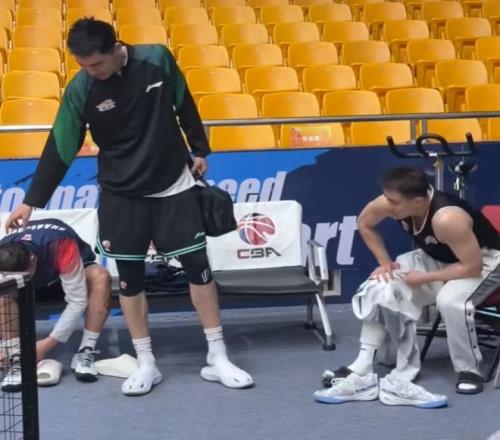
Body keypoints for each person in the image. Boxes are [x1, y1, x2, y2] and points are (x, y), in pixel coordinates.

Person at [5, 18, 253, 396]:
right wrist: (31, 200)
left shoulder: (157, 59)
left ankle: (217, 356)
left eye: (97, 64)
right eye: (83, 66)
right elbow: (61, 146)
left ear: (116, 47)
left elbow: (184, 101)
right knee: (130, 280)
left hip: (173, 185)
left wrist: (200, 148)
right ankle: (146, 362)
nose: (91, 71)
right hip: (121, 194)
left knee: (198, 270)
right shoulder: (82, 88)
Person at [314, 167, 500, 407]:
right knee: (380, 285)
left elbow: (472, 267)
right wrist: (385, 264)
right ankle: (363, 364)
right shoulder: (394, 201)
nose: (388, 205)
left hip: (485, 261)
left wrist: (423, 278)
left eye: (394, 202)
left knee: (449, 301)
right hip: (439, 257)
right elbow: (365, 223)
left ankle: (469, 370)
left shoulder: (447, 218)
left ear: (418, 202)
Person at [0, 218, 111, 392]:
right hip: (33, 287)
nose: (18, 282)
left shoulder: (61, 245)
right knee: (4, 292)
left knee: (100, 277)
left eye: (22, 276)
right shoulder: (3, 252)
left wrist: (47, 344)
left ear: (33, 259)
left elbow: (77, 300)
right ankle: (16, 357)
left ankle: (85, 350)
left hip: (68, 276)